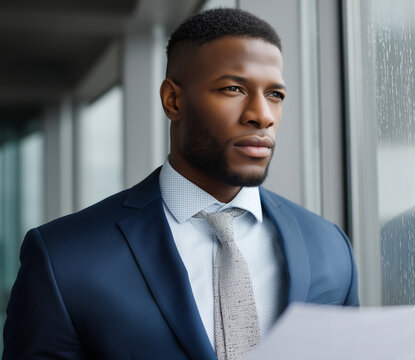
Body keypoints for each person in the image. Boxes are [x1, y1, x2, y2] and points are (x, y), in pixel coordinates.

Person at [3, 8, 358, 360]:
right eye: (234, 88)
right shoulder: (64, 256)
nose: (262, 115)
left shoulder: (329, 246)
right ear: (173, 101)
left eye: (275, 95)